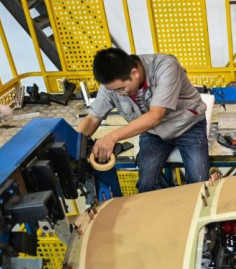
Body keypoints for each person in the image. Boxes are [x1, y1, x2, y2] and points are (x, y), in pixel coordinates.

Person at [77, 47, 210, 192]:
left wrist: (112, 137)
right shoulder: (111, 86)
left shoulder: (166, 67)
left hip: (188, 126)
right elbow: (93, 118)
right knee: (146, 185)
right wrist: (75, 146)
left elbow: (155, 116)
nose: (119, 94)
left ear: (134, 73)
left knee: (199, 183)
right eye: (114, 91)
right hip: (153, 132)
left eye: (121, 89)